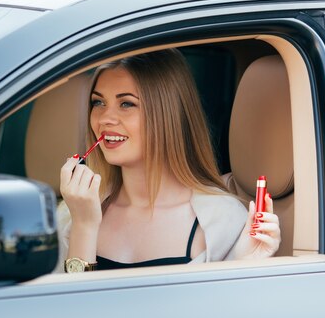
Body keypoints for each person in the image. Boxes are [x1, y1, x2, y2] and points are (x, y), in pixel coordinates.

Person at [57, 48, 281, 273]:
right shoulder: (74, 212)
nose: (105, 118)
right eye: (98, 103)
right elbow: (63, 307)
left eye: (126, 104)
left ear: (166, 115)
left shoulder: (222, 220)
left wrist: (243, 264)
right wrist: (84, 227)